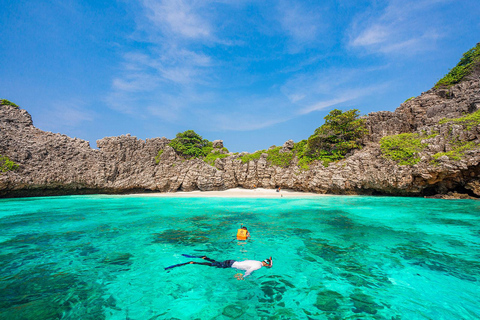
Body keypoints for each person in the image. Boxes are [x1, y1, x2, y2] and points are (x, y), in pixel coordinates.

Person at [186, 255, 273, 280]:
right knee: (213, 265)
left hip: (232, 261)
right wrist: (243, 277)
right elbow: (249, 270)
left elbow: (247, 264)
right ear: (266, 264)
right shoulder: (258, 266)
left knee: (217, 263)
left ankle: (206, 258)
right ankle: (194, 262)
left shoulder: (257, 261)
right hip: (230, 264)